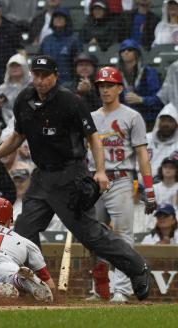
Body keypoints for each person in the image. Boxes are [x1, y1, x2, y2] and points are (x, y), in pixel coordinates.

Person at [0, 55, 153, 302]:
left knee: (90, 235)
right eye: (36, 75)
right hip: (41, 177)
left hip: (70, 175)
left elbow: (94, 138)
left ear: (55, 76)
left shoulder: (71, 102)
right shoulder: (24, 99)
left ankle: (137, 268)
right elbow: (19, 135)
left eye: (45, 75)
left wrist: (101, 171)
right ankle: (36, 283)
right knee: (23, 230)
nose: (39, 80)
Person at [86, 66, 156, 303]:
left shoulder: (132, 116)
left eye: (109, 85)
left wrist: (149, 188)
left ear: (119, 88)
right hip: (95, 182)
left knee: (123, 235)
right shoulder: (92, 117)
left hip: (122, 179)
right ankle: (100, 290)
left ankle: (122, 290)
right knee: (94, 237)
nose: (105, 90)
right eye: (101, 86)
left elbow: (143, 155)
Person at [0, 53, 31, 145]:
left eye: (17, 65)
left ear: (24, 67)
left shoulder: (33, 86)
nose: (14, 68)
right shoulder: (2, 89)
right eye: (12, 66)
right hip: (5, 127)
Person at [118, 39, 163, 125]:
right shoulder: (117, 74)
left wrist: (141, 99)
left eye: (130, 50)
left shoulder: (148, 72)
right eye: (123, 50)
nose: (126, 52)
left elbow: (159, 100)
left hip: (146, 118)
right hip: (123, 121)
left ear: (136, 53)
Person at [40, 9, 82, 84]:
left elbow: (78, 64)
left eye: (61, 17)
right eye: (56, 17)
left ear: (67, 20)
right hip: (48, 82)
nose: (58, 19)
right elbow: (39, 59)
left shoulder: (74, 40)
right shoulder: (46, 40)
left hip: (67, 83)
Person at [146, 103, 178, 177]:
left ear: (176, 124)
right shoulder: (146, 139)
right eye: (163, 120)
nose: (166, 124)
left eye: (170, 121)